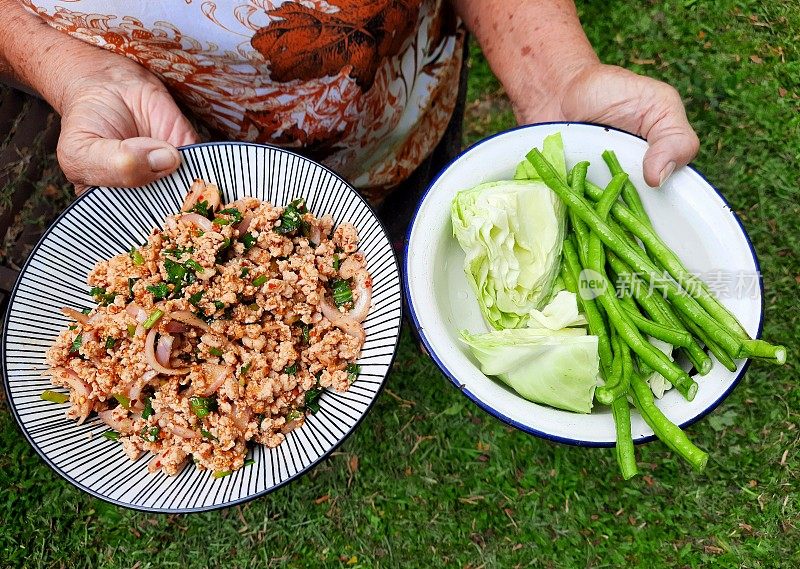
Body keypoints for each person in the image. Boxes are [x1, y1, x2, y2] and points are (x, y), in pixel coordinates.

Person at [0, 0, 698, 234]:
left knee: (412, 219)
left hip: (396, 108)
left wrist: (554, 74)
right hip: (172, 155)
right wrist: (72, 70)